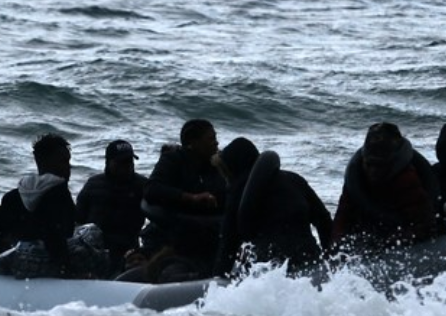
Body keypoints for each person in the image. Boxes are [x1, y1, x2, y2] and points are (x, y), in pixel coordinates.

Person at [213, 137, 332, 278]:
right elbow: (324, 221)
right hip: (311, 260)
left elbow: (228, 245)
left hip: (271, 271)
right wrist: (330, 260)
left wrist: (217, 281)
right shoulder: (294, 179)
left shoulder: (239, 193)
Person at [0, 133, 106, 279]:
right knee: (92, 232)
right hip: (47, 262)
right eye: (63, 162)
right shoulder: (58, 193)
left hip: (19, 260)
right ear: (45, 163)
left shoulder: (12, 196)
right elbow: (55, 236)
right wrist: (66, 270)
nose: (68, 167)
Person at [331, 122, 441, 257]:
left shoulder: (406, 179)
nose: (372, 171)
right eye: (369, 164)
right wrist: (338, 246)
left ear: (391, 162)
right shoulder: (355, 178)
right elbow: (342, 217)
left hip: (400, 235)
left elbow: (425, 226)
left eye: (379, 165)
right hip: (368, 233)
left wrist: (391, 242)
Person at [139, 118, 226, 280]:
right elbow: (152, 189)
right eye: (211, 138)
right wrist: (191, 198)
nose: (216, 143)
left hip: (209, 235)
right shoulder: (173, 160)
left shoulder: (216, 166)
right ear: (193, 142)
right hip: (175, 236)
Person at [76, 140, 148, 274]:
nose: (127, 166)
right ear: (109, 162)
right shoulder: (93, 184)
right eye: (121, 162)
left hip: (129, 250)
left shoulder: (142, 185)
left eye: (129, 161)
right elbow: (78, 219)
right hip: (96, 250)